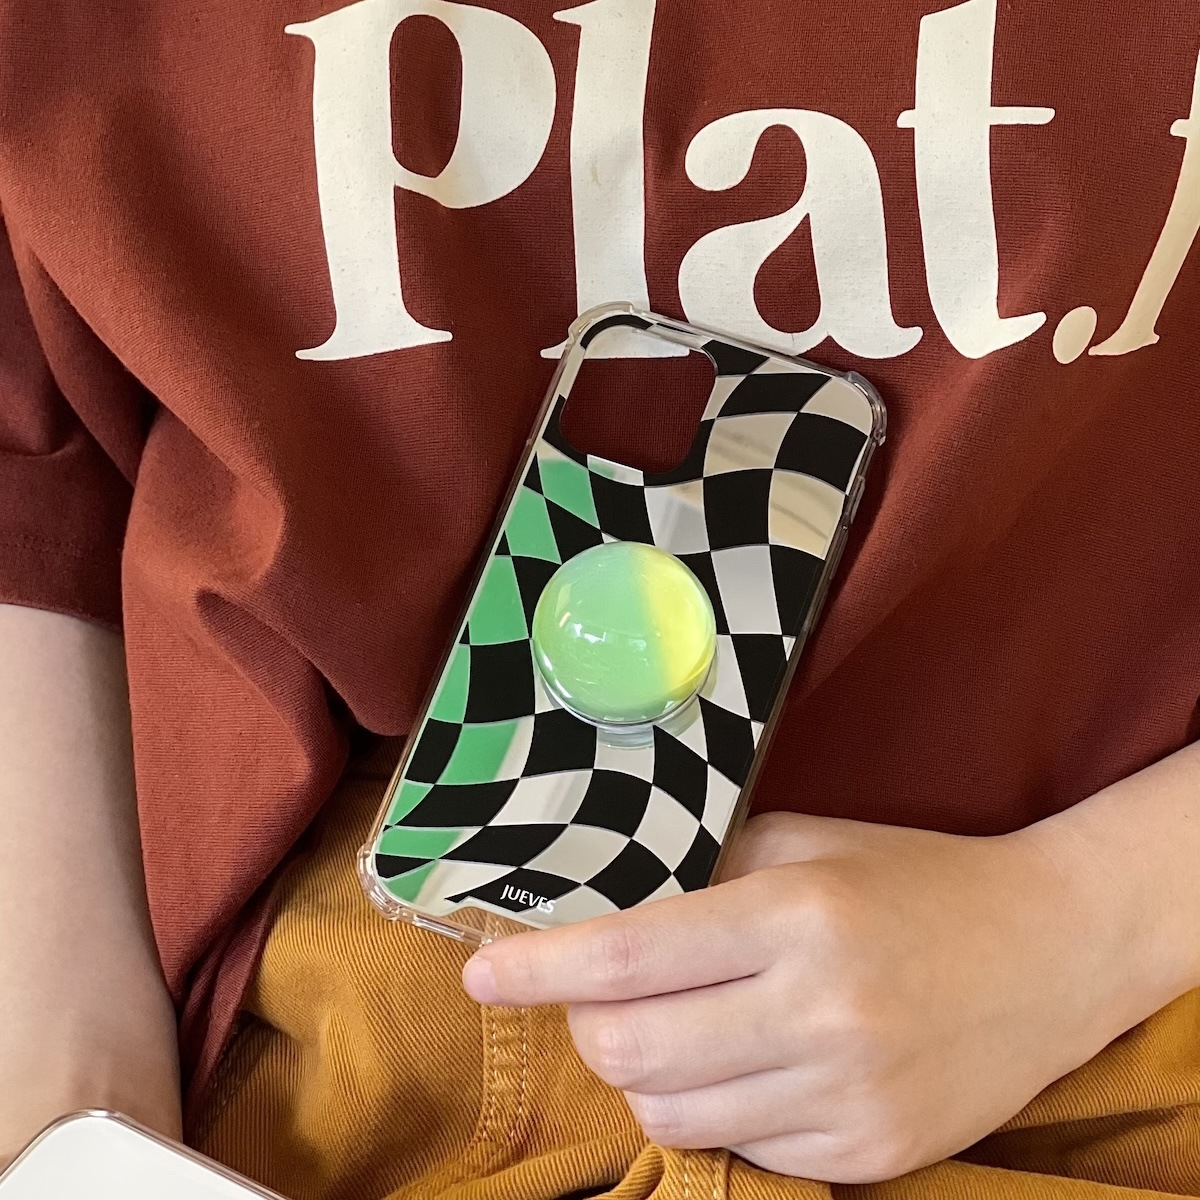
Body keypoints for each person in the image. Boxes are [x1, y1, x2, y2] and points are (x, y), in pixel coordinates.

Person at [0, 0, 1198, 1195]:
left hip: (1076, 1038)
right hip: (285, 1027)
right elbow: (35, 475)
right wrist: (68, 1114)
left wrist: (1087, 922)